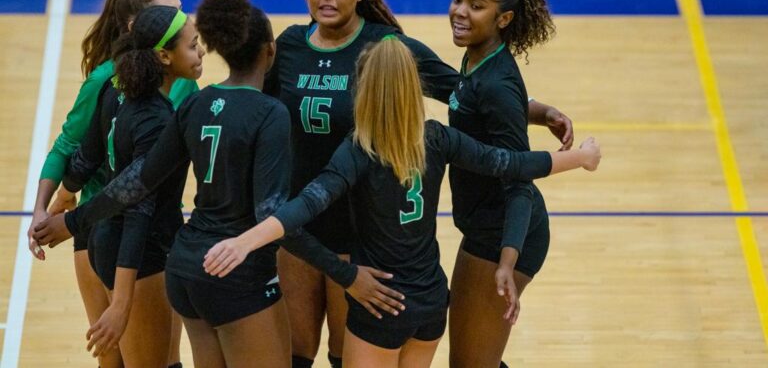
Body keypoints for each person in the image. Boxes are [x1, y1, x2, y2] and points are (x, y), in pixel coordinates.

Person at [36, 0, 404, 368]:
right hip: (236, 272)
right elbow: (272, 215)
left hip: (186, 266)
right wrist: (346, 275)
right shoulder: (270, 113)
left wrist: (74, 221)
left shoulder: (194, 102)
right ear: (270, 51)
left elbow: (136, 182)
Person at [264, 0, 574, 368]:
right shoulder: (290, 46)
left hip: (357, 237)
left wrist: (540, 112)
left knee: (345, 354)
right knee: (293, 354)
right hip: (299, 223)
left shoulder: (386, 45)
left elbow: (461, 90)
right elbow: (258, 119)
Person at [202, 38, 601, 368]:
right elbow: (512, 163)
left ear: (363, 88)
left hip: (381, 302)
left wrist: (244, 241)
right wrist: (580, 158)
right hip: (430, 302)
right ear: (414, 87)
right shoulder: (438, 138)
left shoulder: (359, 149)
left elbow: (305, 204)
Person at [28, 0, 195, 368]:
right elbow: (81, 154)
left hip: (110, 233)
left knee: (127, 356)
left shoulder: (160, 86)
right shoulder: (121, 90)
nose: (190, 32)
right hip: (130, 242)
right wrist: (57, 210)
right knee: (141, 359)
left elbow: (85, 158)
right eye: (172, 17)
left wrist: (65, 209)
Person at [447, 0, 564, 368]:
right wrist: (542, 110)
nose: (460, 12)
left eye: (476, 6)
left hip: (506, 232)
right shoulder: (478, 60)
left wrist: (507, 263)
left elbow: (519, 180)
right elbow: (476, 102)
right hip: (485, 225)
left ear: (504, 19)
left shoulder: (495, 81)